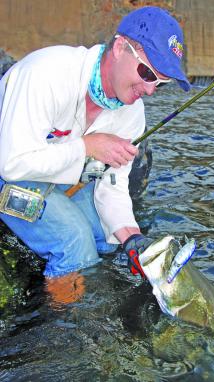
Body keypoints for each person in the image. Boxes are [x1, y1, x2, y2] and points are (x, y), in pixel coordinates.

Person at [0, 6, 190, 301]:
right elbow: (12, 163)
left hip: (54, 175)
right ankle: (61, 329)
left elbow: (113, 186)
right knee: (75, 242)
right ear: (119, 48)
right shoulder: (46, 73)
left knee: (106, 236)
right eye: (146, 72)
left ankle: (67, 287)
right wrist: (87, 147)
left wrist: (133, 239)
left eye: (161, 84)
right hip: (8, 170)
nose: (151, 90)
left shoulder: (132, 114)